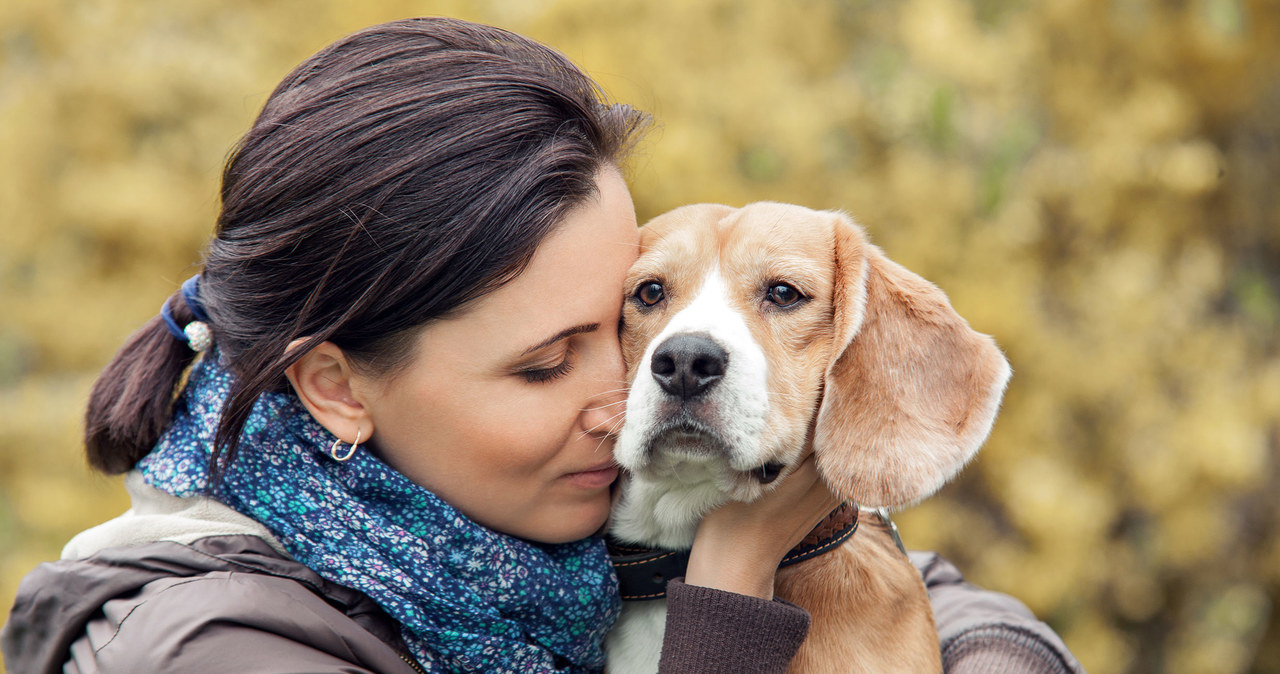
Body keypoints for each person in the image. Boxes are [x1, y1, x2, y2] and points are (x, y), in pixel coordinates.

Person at [1, 17, 1082, 674]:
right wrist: (728, 586)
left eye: (612, 324)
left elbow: (909, 575)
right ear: (334, 386)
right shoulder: (213, 647)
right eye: (539, 364)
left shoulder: (514, 539)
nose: (625, 393)